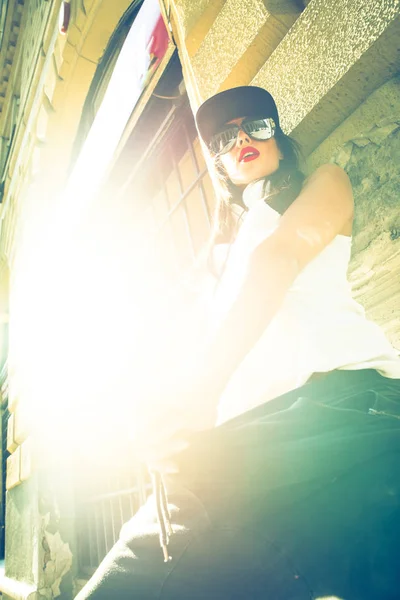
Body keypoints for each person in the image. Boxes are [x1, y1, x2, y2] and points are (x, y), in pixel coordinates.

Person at [76, 86, 400, 599]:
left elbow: (279, 260)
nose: (242, 138)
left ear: (279, 137)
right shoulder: (219, 257)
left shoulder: (324, 182)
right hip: (267, 440)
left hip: (348, 408)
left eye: (257, 125)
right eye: (224, 139)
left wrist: (198, 392)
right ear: (219, 166)